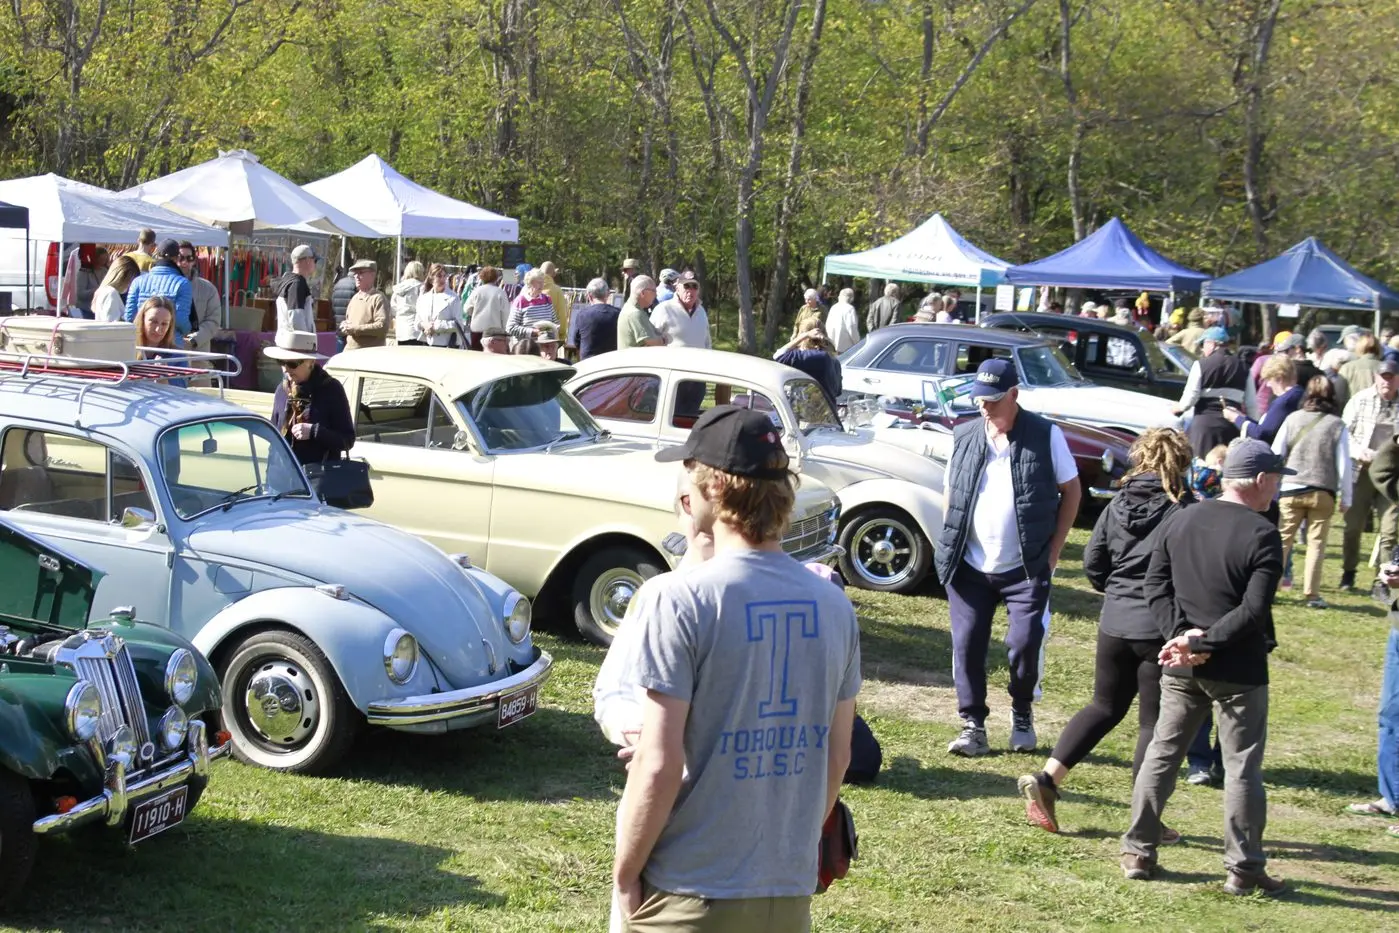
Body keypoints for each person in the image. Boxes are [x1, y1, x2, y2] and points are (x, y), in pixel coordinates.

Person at [611, 405, 860, 932]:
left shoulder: (678, 599)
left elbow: (658, 762)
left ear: (714, 487)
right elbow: (837, 756)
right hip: (786, 892)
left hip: (690, 890)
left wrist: (625, 875)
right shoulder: (833, 603)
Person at [1121, 438, 1286, 896]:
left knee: (1163, 754)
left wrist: (1183, 637)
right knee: (1241, 768)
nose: (1276, 489)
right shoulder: (1263, 533)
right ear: (1258, 480)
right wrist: (1200, 641)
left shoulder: (1184, 518)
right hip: (1238, 670)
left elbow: (1154, 584)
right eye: (1275, 479)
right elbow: (1254, 610)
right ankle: (1244, 868)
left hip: (1181, 665)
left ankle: (1138, 850)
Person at [1018, 429, 1195, 837]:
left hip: (1115, 619)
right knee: (1152, 723)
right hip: (1159, 625)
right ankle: (1145, 817)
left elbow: (1095, 562)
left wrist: (1115, 591)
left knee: (1103, 705)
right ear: (1182, 463)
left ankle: (1047, 778)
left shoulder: (1117, 503)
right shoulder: (1183, 509)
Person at [934, 359, 1081, 756]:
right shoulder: (964, 434)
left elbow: (1072, 491)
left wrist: (1053, 553)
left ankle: (1021, 712)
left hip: (1026, 567)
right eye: (980, 399)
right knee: (967, 643)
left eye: (994, 400)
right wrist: (952, 540)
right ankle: (973, 726)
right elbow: (953, 491)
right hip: (969, 566)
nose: (985, 407)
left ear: (1015, 394)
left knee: (1024, 641)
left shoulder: (1045, 435)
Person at [1272, 376, 1351, 610]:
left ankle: (1271, 587)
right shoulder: (1337, 425)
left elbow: (1276, 454)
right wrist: (1346, 497)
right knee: (1317, 544)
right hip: (1322, 490)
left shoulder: (1292, 419)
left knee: (1282, 541)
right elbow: (1344, 464)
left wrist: (1273, 487)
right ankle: (1312, 594)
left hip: (1291, 487)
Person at [1340, 361, 1399, 595]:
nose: (1387, 381)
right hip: (1362, 472)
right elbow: (1344, 433)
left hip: (1391, 476)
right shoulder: (1360, 400)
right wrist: (1358, 452)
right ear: (1376, 377)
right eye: (1383, 377)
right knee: (1352, 527)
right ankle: (1348, 572)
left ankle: (1382, 581)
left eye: (1392, 377)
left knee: (1390, 531)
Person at [266, 331, 354, 467]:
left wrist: (314, 431)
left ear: (310, 362)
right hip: (280, 480)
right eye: (281, 362)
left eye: (292, 364)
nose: (285, 369)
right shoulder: (282, 390)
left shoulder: (331, 389)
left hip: (317, 480)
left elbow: (347, 440)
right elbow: (274, 438)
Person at [1172, 326, 1257, 456]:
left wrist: (1177, 408)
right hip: (1231, 427)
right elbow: (1252, 404)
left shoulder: (1200, 365)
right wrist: (1253, 428)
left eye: (1203, 344)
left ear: (1212, 344)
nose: (1202, 349)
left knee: (1200, 468)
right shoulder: (1245, 368)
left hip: (1204, 428)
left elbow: (1190, 399)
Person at [123, 239, 193, 342]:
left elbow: (129, 317)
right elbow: (181, 319)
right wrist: (188, 329)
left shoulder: (137, 281)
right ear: (177, 258)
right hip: (171, 344)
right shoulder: (183, 283)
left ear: (156, 254)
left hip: (142, 342)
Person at [1225, 354, 1301, 445]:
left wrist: (1236, 419)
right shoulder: (1300, 393)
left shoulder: (1283, 403)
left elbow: (1262, 434)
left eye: (1269, 379)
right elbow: (1265, 427)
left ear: (1279, 378)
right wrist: (1242, 417)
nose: (1268, 385)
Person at [773, 324, 842, 404]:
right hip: (828, 412)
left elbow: (778, 355)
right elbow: (838, 392)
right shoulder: (834, 360)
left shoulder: (815, 357)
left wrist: (804, 335)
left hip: (813, 413)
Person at [176, 242, 219, 353]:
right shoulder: (164, 285)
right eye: (180, 258)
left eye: (189, 258)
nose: (184, 262)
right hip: (169, 350)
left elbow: (213, 321)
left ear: (194, 261)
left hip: (198, 352)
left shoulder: (208, 288)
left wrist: (193, 340)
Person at [650, 271, 710, 349]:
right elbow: (650, 340)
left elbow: (707, 342)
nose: (690, 290)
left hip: (699, 360)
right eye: (686, 286)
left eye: (694, 286)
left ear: (698, 291)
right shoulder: (664, 309)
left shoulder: (701, 311)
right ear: (677, 288)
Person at [340, 259, 389, 350]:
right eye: (355, 274)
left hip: (368, 355)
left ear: (372, 274)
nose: (356, 277)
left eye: (361, 273)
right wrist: (344, 325)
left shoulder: (378, 298)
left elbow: (382, 327)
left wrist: (356, 329)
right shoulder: (355, 298)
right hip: (349, 352)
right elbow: (349, 321)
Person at [275, 244, 319, 343]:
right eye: (314, 260)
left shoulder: (288, 280)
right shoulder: (297, 284)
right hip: (296, 348)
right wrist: (307, 345)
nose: (315, 264)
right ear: (308, 260)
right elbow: (296, 318)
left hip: (288, 342)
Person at [569, 278, 621, 360]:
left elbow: (576, 341)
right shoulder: (618, 314)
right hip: (612, 363)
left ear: (589, 296)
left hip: (589, 364)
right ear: (607, 294)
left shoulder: (583, 315)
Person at [415, 263, 463, 347]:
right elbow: (417, 322)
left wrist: (436, 326)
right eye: (439, 276)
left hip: (447, 346)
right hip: (426, 344)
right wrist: (425, 325)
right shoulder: (423, 298)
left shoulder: (453, 298)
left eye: (444, 276)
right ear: (431, 279)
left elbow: (459, 324)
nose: (442, 279)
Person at [508, 269, 558, 342]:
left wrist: (554, 329)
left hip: (544, 346)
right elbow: (510, 328)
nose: (542, 285)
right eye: (539, 282)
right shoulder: (520, 301)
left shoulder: (547, 299)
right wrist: (532, 332)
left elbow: (555, 322)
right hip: (526, 348)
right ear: (530, 283)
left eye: (542, 282)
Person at [466, 266, 510, 350]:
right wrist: (505, 331)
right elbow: (505, 313)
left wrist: (475, 313)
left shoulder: (476, 291)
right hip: (495, 333)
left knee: (476, 356)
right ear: (496, 278)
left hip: (476, 330)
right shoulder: (500, 292)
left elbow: (466, 308)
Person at [617, 275, 665, 349]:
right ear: (643, 293)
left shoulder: (629, 308)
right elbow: (653, 342)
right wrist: (664, 340)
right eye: (654, 291)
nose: (656, 295)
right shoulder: (635, 313)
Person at [91, 255, 140, 323]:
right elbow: (112, 325)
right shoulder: (111, 293)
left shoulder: (103, 291)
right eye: (130, 280)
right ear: (122, 276)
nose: (130, 285)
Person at [539, 261, 573, 354]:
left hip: (533, 336)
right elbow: (562, 315)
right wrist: (562, 335)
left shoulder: (528, 288)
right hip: (551, 337)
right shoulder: (557, 290)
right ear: (554, 274)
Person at [1339, 333, 1383, 402]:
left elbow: (1340, 395)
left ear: (1358, 347)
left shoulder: (1347, 368)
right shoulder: (1387, 367)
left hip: (1352, 409)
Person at [391, 260, 427, 346]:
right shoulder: (421, 287)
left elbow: (393, 308)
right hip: (416, 330)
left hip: (401, 329)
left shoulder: (398, 289)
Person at [331, 265, 357, 352]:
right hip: (350, 321)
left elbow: (332, 301)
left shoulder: (338, 283)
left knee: (340, 341)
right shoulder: (356, 285)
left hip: (338, 320)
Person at [825, 288, 860, 353]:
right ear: (851, 298)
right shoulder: (850, 309)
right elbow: (852, 328)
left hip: (832, 344)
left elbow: (827, 325)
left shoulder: (834, 307)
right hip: (845, 347)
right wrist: (857, 342)